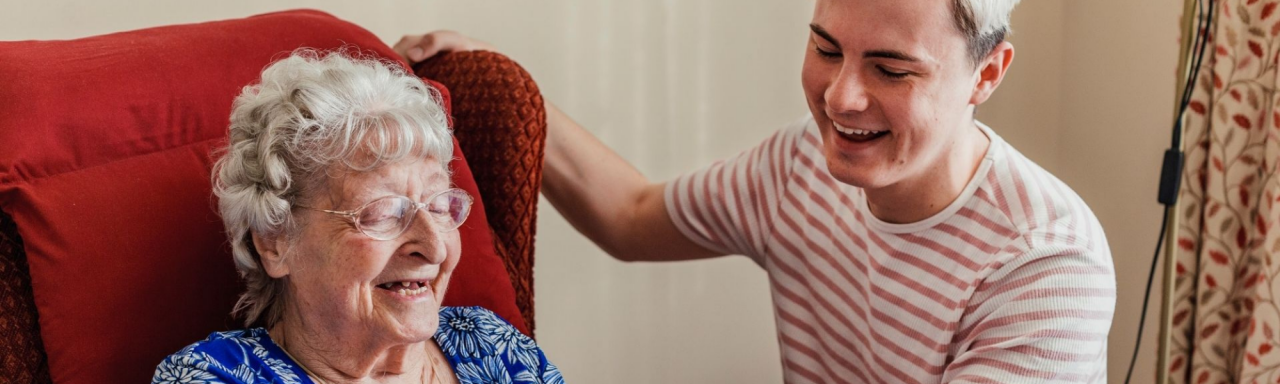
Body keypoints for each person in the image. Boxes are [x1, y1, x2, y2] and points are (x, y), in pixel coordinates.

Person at [396, 0, 1115, 382]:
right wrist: (505, 86)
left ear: (987, 76)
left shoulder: (1048, 265)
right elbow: (632, 216)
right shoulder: (801, 166)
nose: (841, 98)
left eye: (891, 70)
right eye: (826, 49)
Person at [152, 50, 564, 384]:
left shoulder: (488, 343)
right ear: (274, 240)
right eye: (384, 214)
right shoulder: (214, 377)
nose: (435, 246)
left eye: (440, 206)